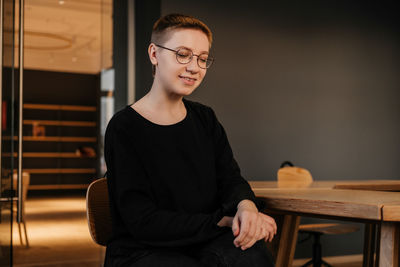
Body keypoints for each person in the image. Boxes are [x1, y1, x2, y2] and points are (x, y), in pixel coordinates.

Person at [104, 13, 277, 267]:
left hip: (203, 239)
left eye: (203, 59)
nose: (194, 67)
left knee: (252, 254)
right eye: (182, 54)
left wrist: (247, 207)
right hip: (142, 249)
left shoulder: (205, 118)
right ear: (154, 54)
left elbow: (230, 177)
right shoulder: (124, 127)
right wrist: (223, 220)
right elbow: (142, 220)